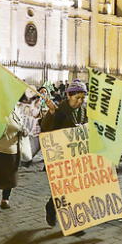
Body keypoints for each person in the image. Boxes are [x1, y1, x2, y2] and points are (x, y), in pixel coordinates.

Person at [41, 79, 87, 232]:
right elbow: (47, 131)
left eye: (82, 98)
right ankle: (52, 206)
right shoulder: (60, 109)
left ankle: (76, 222)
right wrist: (52, 113)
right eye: (77, 98)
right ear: (68, 95)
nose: (80, 101)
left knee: (77, 190)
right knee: (64, 190)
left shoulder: (84, 110)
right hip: (62, 156)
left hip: (78, 155)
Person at [0, 108, 28, 212]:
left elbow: (21, 126)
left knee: (10, 178)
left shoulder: (16, 111)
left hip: (13, 152)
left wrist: (24, 131)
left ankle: (5, 199)